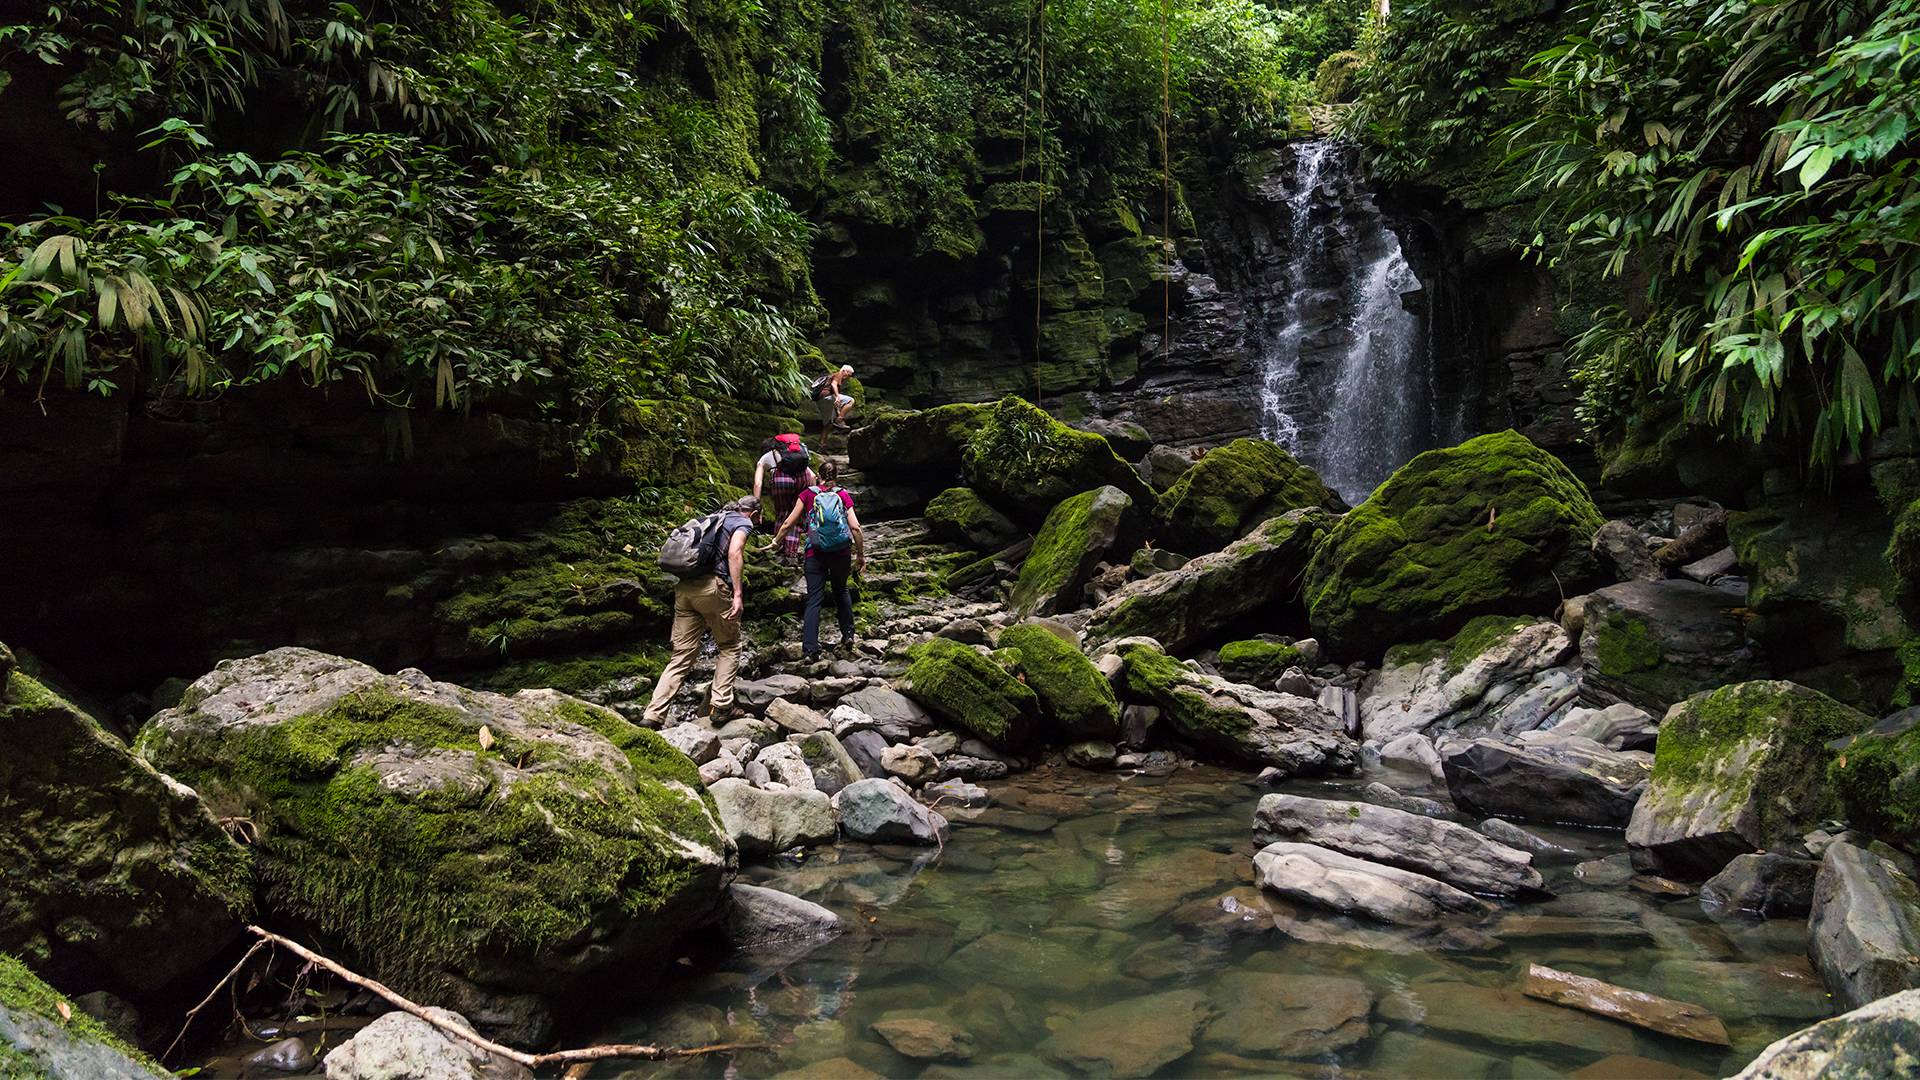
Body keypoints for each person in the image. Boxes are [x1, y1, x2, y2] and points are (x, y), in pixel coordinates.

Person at [643, 496, 759, 725]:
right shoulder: (743, 522)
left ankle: (653, 715)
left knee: (681, 655)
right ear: (754, 514)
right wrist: (737, 594)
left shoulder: (710, 519)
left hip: (685, 589)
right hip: (713, 588)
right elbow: (735, 552)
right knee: (729, 646)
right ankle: (722, 706)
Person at [766, 459, 864, 662]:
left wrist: (776, 541)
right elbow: (855, 527)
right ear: (836, 477)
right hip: (841, 553)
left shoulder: (808, 494)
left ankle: (810, 649)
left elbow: (788, 522)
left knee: (814, 600)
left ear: (818, 476)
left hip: (815, 554)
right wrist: (860, 554)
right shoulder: (843, 495)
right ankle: (847, 635)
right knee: (841, 590)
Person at [751, 434, 814, 563]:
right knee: (797, 516)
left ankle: (780, 552)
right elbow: (812, 476)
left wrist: (757, 506)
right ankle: (792, 555)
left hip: (782, 481)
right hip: (803, 478)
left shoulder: (767, 457)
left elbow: (758, 483)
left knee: (782, 513)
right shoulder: (797, 457)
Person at [816, 365, 855, 443]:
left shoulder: (835, 376)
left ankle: (822, 446)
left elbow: (836, 401)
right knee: (851, 400)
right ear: (844, 371)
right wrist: (837, 397)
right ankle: (840, 419)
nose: (848, 378)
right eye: (849, 375)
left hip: (821, 399)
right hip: (828, 396)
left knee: (828, 424)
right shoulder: (838, 375)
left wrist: (837, 410)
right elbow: (833, 384)